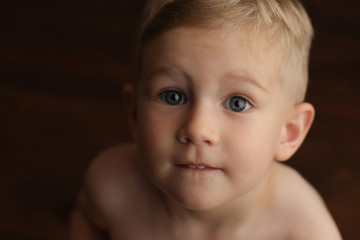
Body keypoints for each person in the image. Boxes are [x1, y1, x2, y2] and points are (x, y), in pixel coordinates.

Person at [69, 0, 342, 239]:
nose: (198, 129)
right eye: (173, 96)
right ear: (135, 114)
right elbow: (87, 216)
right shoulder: (112, 184)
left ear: (289, 132)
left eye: (238, 103)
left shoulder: (301, 226)